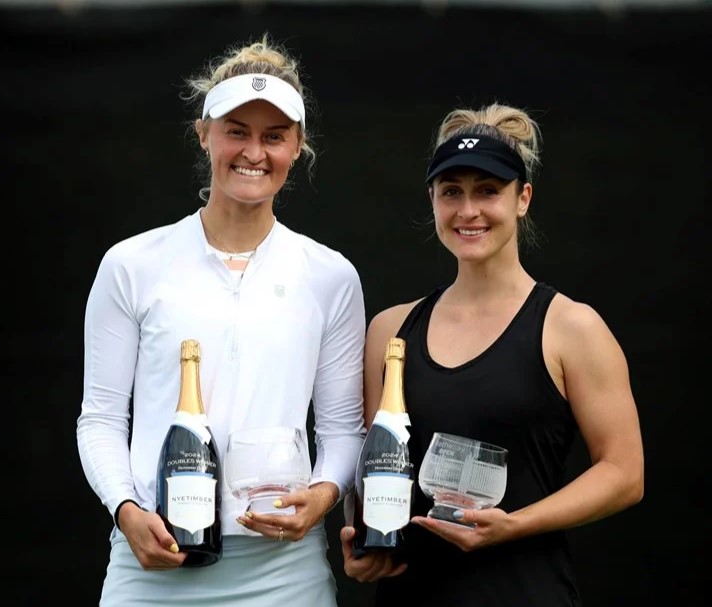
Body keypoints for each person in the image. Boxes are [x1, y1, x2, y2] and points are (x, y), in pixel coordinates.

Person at [76, 34, 367, 606]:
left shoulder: (331, 276)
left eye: (273, 136)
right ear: (203, 133)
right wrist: (126, 509)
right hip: (151, 566)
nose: (253, 152)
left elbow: (342, 430)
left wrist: (326, 494)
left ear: (297, 146)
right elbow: (101, 417)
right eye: (237, 131)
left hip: (285, 572)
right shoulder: (131, 264)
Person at [339, 103, 645, 605]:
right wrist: (362, 535)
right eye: (451, 192)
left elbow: (624, 473)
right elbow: (376, 471)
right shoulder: (391, 331)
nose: (468, 210)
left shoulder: (570, 327)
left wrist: (514, 526)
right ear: (432, 200)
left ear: (523, 197)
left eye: (487, 190)